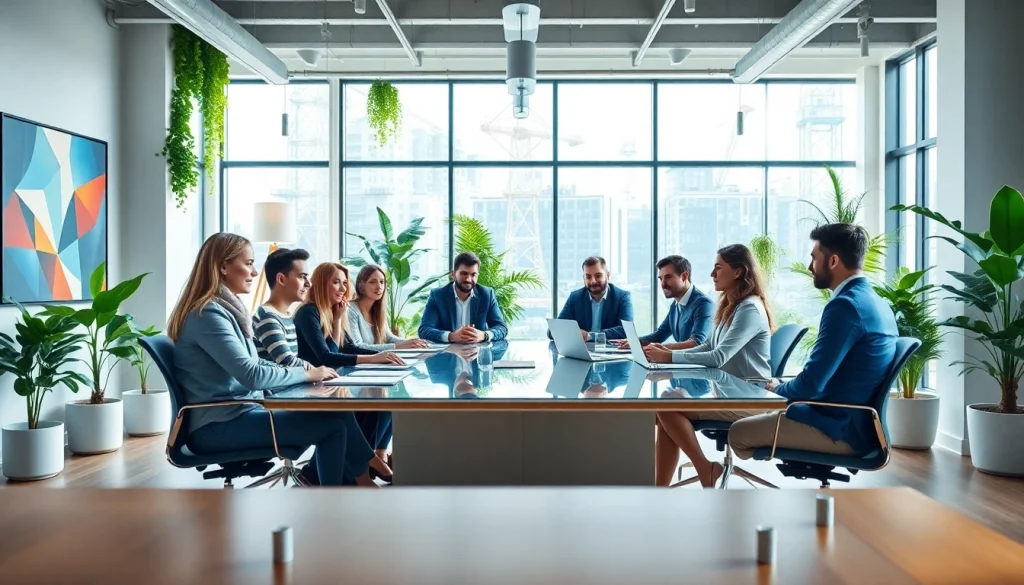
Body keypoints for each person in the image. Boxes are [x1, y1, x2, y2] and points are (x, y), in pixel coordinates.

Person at [167, 233, 377, 487]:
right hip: (216, 426)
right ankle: (334, 498)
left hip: (238, 413)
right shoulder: (208, 314)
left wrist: (309, 370)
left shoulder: (224, 310)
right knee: (332, 427)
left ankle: (359, 482)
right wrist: (308, 374)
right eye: (249, 263)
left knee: (336, 415)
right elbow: (251, 374)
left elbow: (256, 363)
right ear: (223, 266)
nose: (255, 273)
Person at [722, 224, 897, 472]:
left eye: (814, 257)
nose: (810, 266)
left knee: (738, 433)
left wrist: (778, 388)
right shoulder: (876, 302)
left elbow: (811, 384)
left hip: (838, 428)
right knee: (754, 411)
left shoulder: (845, 307)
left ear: (833, 260)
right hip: (859, 424)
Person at [646, 244, 774, 487]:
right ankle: (660, 489)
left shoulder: (749, 308)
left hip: (749, 397)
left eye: (718, 268)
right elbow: (707, 347)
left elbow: (718, 357)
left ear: (737, 272)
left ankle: (704, 469)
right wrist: (665, 351)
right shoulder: (731, 306)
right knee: (664, 408)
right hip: (728, 391)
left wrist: (670, 358)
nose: (712, 274)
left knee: (666, 406)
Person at [294, 261, 404, 483]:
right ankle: (368, 462)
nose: (342, 288)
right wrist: (374, 358)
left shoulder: (328, 312)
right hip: (307, 387)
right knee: (351, 412)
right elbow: (325, 357)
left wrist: (336, 321)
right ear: (321, 283)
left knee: (373, 404)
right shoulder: (308, 312)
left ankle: (361, 466)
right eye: (336, 282)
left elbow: (344, 347)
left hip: (327, 383)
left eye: (344, 283)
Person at [614, 255, 713, 350]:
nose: (663, 284)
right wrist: (635, 341)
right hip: (684, 364)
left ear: (684, 276)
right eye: (661, 278)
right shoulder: (675, 305)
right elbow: (660, 334)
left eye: (668, 277)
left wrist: (657, 348)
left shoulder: (704, 304)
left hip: (699, 366)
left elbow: (697, 342)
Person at [418, 252, 509, 344]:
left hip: (477, 354)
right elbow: (424, 330)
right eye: (464, 274)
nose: (468, 279)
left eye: (473, 274)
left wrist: (484, 335)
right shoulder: (437, 295)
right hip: (446, 355)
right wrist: (451, 336)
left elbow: (501, 328)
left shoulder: (487, 294)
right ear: (453, 274)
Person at [252, 247, 313, 369]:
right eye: (302, 277)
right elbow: (287, 362)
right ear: (281, 279)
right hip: (277, 388)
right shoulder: (267, 317)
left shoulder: (285, 315)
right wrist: (318, 371)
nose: (308, 284)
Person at [348, 264, 430, 351]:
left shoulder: (377, 310)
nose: (379, 287)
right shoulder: (350, 310)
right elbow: (357, 346)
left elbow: (389, 338)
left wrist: (412, 342)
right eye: (373, 282)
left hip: (374, 362)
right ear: (361, 286)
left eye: (382, 282)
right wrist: (398, 346)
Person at [550, 256, 634, 341]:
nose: (593, 281)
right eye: (588, 277)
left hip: (611, 351)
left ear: (607, 276)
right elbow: (553, 330)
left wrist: (590, 336)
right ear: (584, 278)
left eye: (598, 276)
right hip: (581, 352)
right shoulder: (575, 298)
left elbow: (627, 330)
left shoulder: (622, 297)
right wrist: (567, 333)